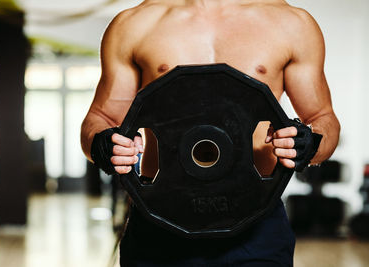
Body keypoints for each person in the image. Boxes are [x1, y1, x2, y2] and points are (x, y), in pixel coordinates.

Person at [81, 0, 340, 266]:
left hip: (255, 226)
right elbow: (101, 119)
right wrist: (102, 144)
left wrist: (309, 143)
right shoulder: (136, 24)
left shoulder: (291, 23)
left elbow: (322, 118)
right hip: (159, 223)